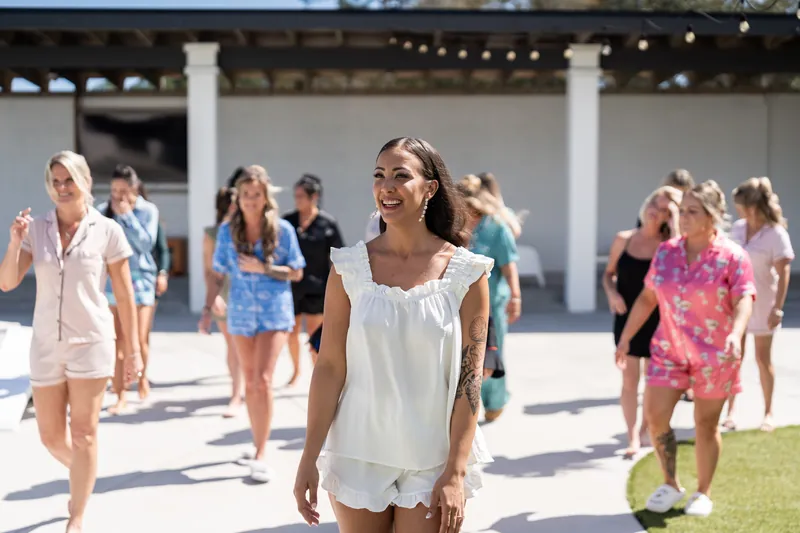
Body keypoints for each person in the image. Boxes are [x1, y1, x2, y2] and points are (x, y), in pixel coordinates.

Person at [293, 137, 493, 533]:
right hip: (357, 450)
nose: (387, 186)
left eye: (402, 175)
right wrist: (309, 458)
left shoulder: (468, 273)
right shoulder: (348, 268)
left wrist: (454, 471)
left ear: (430, 188)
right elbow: (330, 367)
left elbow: (470, 381)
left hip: (432, 456)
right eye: (380, 175)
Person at [0, 150, 142, 533]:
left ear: (84, 182)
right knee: (50, 437)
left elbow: (125, 294)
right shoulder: (36, 228)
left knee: (84, 434)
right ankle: (86, 471)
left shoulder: (108, 230)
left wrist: (134, 351)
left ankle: (76, 515)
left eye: (69, 180)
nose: (62, 188)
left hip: (92, 343)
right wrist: (14, 241)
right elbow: (7, 282)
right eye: (56, 181)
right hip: (46, 343)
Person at [616, 180, 756, 517]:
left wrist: (736, 333)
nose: (683, 218)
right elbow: (649, 297)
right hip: (668, 349)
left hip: (715, 354)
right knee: (655, 417)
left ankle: (703, 491)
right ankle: (670, 482)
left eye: (693, 212)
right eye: (682, 212)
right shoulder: (666, 251)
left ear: (712, 216)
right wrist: (626, 337)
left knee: (706, 425)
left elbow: (744, 300)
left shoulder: (733, 256)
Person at [199, 165, 305, 483]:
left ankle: (261, 453)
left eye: (256, 195)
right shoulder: (226, 232)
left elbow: (297, 271)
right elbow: (218, 273)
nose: (250, 200)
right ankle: (257, 439)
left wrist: (266, 268)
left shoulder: (282, 230)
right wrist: (208, 306)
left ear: (265, 197)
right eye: (245, 194)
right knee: (249, 379)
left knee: (262, 380)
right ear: (238, 197)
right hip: (241, 313)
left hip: (274, 312)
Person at [603, 186, 682, 458]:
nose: (655, 212)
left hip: (658, 319)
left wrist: (675, 225)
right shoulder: (623, 239)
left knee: (652, 380)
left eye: (664, 210)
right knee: (629, 380)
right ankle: (632, 435)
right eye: (653, 204)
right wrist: (612, 293)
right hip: (626, 317)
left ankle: (646, 429)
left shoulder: (668, 246)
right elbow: (608, 274)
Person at [723, 177, 794, 432]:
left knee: (763, 360)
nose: (737, 210)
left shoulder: (776, 233)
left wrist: (778, 308)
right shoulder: (739, 229)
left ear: (750, 206)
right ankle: (730, 412)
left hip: (764, 303)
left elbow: (784, 272)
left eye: (739, 205)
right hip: (737, 303)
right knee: (734, 358)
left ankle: (768, 412)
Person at [458, 174, 521, 423]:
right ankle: (470, 402)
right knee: (467, 354)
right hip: (460, 303)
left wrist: (516, 297)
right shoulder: (454, 226)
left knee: (493, 354)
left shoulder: (496, 228)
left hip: (493, 303)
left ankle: (495, 401)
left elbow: (509, 265)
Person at [98, 164, 160, 413]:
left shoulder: (147, 211)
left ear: (134, 188)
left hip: (142, 280)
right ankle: (120, 394)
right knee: (118, 340)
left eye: (123, 190)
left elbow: (146, 244)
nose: (117, 196)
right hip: (114, 280)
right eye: (114, 190)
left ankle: (142, 377)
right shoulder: (102, 211)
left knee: (140, 338)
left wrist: (127, 217)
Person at [283, 174, 345, 386]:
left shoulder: (327, 224)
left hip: (318, 288)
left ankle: (316, 376)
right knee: (291, 333)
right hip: (291, 287)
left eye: (301, 196)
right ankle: (295, 371)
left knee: (315, 335)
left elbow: (338, 257)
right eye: (296, 196)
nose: (297, 200)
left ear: (314, 197)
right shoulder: (287, 222)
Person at [202, 186, 244, 418]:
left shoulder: (251, 230)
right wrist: (212, 299)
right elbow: (209, 271)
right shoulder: (212, 234)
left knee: (245, 346)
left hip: (249, 292)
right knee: (233, 345)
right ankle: (236, 394)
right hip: (224, 293)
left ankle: (247, 387)